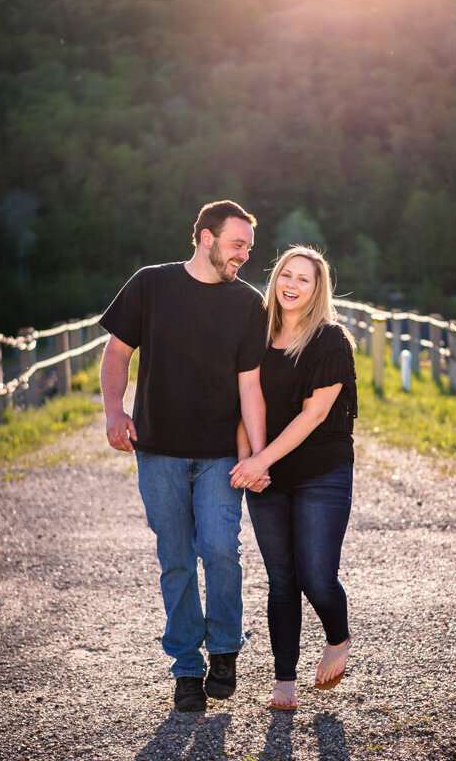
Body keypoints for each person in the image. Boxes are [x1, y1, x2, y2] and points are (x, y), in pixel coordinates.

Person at [100, 200, 268, 713]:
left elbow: (250, 388)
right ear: (205, 238)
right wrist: (113, 411)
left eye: (249, 248)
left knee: (220, 551)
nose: (244, 255)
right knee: (175, 560)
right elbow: (116, 353)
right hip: (158, 452)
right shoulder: (151, 284)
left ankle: (224, 650)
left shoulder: (248, 304)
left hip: (220, 455)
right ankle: (186, 669)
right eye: (237, 244)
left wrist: (259, 456)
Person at [230, 246, 357, 711]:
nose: (292, 284)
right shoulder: (256, 336)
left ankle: (338, 637)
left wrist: (260, 461)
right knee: (282, 579)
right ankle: (285, 681)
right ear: (275, 278)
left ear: (317, 288)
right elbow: (244, 403)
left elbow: (314, 415)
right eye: (287, 274)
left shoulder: (331, 340)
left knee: (317, 577)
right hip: (267, 474)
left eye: (304, 278)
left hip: (321, 470)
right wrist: (250, 463)